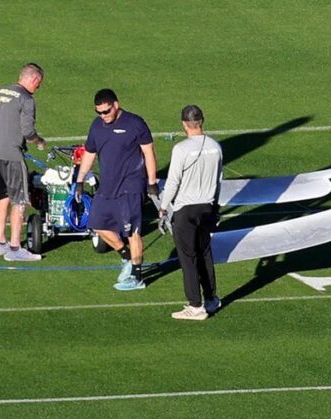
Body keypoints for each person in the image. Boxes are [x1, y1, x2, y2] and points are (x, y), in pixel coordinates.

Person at [75, 88, 159, 291]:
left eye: (106, 111)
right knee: (96, 224)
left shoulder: (135, 123)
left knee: (133, 232)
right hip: (107, 187)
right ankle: (127, 256)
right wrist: (79, 180)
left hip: (131, 186)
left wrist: (152, 182)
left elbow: (148, 152)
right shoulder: (97, 126)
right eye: (99, 112)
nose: (103, 116)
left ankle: (137, 277)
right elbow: (89, 153)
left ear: (116, 105)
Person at [158, 105, 223, 320]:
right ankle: (211, 298)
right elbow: (218, 180)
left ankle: (195, 306)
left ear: (184, 124)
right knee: (205, 253)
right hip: (207, 206)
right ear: (202, 121)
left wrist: (163, 206)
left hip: (186, 209)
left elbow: (173, 181)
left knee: (188, 258)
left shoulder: (181, 149)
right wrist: (216, 205)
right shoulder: (215, 147)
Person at [0, 62, 47, 262]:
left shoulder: (2, 91)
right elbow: (27, 131)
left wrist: (0, 133)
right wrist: (39, 141)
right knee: (19, 200)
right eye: (39, 83)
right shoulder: (27, 99)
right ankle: (15, 248)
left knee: (3, 196)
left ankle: (0, 243)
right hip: (11, 155)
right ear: (34, 79)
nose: (39, 87)